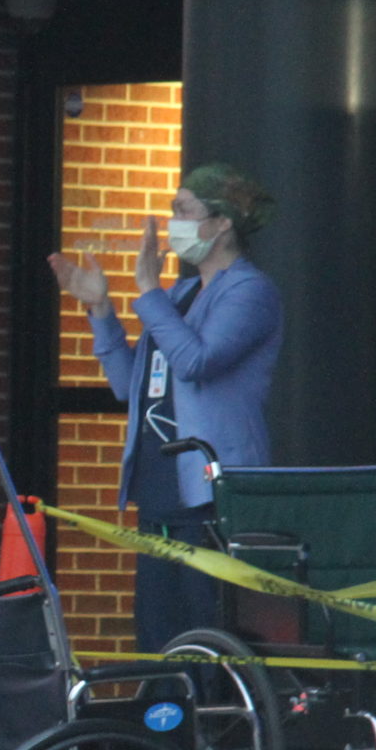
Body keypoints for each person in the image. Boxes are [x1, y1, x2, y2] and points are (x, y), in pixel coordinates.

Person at [47, 163, 284, 653]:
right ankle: (164, 726)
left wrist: (149, 292)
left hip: (209, 491)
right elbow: (128, 385)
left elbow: (197, 360)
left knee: (206, 627)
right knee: (157, 633)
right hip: (159, 488)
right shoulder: (179, 295)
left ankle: (212, 725)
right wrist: (101, 311)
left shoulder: (249, 291)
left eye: (183, 210)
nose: (171, 221)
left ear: (221, 223)